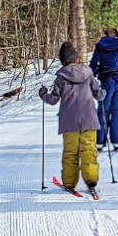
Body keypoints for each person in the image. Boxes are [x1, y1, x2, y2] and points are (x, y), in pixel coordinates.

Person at [39, 42, 105, 195]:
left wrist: (43, 93)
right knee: (89, 150)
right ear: (76, 59)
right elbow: (98, 94)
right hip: (89, 120)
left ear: (62, 61)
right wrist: (103, 92)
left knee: (70, 153)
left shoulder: (61, 78)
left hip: (69, 122)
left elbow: (53, 99)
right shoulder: (88, 73)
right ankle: (91, 179)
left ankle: (69, 182)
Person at [90, 27, 118, 152]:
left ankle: (99, 143)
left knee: (103, 110)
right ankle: (117, 143)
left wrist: (91, 76)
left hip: (106, 81)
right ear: (115, 35)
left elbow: (93, 64)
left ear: (106, 35)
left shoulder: (100, 46)